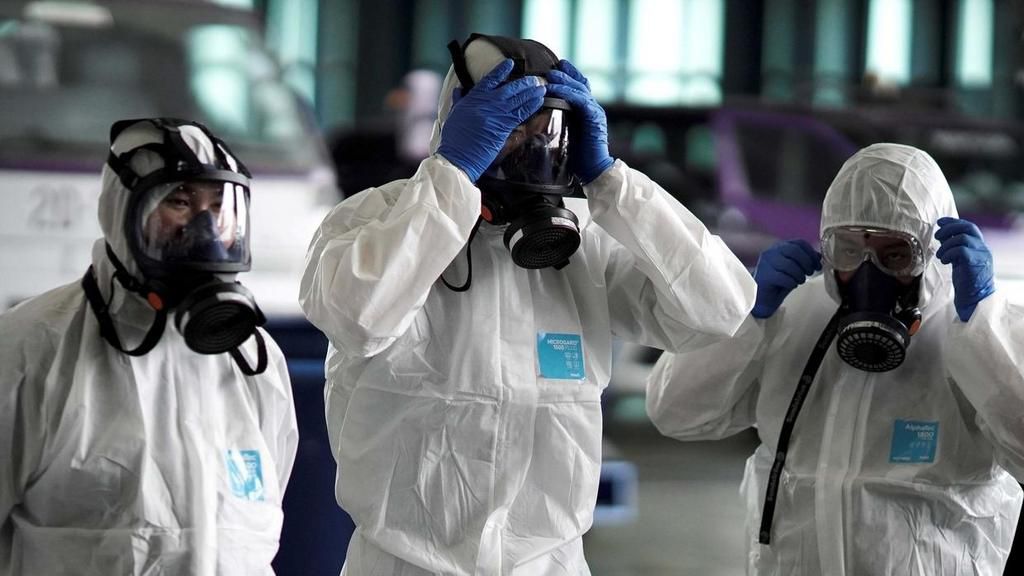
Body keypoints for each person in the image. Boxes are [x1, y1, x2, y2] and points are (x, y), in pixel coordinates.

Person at [299, 33, 755, 575]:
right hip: (405, 564)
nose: (531, 150)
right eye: (511, 127)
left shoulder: (584, 244)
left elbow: (720, 309)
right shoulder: (373, 220)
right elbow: (356, 318)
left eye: (548, 130)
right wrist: (452, 176)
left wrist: (611, 181)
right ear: (461, 121)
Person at [646, 143, 1024, 575]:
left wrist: (984, 327)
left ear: (929, 253)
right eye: (848, 249)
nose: (867, 272)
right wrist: (746, 317)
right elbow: (674, 413)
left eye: (895, 254)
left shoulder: (974, 332)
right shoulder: (791, 315)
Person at [0, 118, 298, 575]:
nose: (205, 228)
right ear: (123, 210)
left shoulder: (253, 360)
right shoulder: (32, 348)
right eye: (179, 202)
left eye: (220, 206)